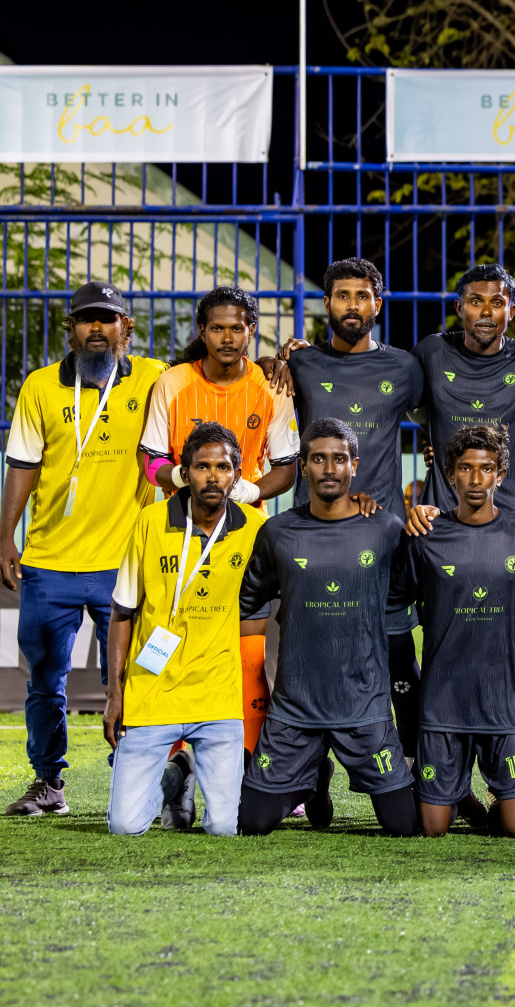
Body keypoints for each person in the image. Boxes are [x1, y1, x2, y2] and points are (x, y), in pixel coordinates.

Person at [0, 281, 166, 816]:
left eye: (108, 319)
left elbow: (217, 368)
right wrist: (6, 537)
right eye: (87, 319)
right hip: (50, 562)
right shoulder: (42, 386)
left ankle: (131, 777)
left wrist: (286, 358)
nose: (98, 328)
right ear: (70, 330)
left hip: (126, 562)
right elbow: (22, 465)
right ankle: (48, 782)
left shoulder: (156, 378)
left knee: (132, 677)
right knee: (45, 679)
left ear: (126, 328)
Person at [235, 418, 417, 837]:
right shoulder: (278, 532)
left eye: (339, 459)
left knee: (405, 826)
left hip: (364, 706)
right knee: (252, 823)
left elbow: (400, 593)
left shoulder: (386, 529)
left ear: (355, 465)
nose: (329, 468)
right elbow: (251, 599)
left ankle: (318, 772)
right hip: (295, 708)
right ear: (304, 465)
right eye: (318, 459)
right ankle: (314, 778)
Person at [139, 285, 299, 751]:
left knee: (249, 651)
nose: (227, 337)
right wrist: (181, 478)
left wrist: (246, 490)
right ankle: (174, 762)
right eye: (217, 328)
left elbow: (287, 467)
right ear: (202, 332)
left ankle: (256, 767)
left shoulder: (272, 386)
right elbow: (148, 457)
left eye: (237, 328)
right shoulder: (172, 383)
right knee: (176, 639)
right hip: (178, 532)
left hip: (245, 534)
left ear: (251, 331)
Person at [279, 258, 427, 756]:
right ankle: (309, 780)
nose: (352, 305)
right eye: (342, 295)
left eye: (362, 296)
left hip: (380, 536)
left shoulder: (404, 367)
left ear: (377, 305)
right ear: (327, 303)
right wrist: (277, 357)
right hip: (314, 537)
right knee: (312, 661)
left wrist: (429, 457)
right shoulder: (300, 365)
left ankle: (413, 771)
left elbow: (442, 418)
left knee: (397, 656)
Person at [393, 425, 515, 838]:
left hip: (509, 701)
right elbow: (393, 602)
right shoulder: (425, 536)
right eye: (466, 468)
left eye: (486, 468)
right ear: (451, 474)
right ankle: (456, 792)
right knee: (432, 828)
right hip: (445, 700)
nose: (476, 479)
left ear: (501, 474)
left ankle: (509, 795)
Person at [103, 423, 267, 836]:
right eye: (202, 467)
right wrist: (113, 694)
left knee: (225, 829)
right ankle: (179, 771)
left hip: (217, 699)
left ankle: (191, 764)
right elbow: (122, 613)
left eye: (224, 467)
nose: (213, 476)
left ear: (238, 474)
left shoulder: (254, 528)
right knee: (125, 826)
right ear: (184, 471)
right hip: (153, 693)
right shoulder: (150, 522)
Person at [413, 264, 515, 517]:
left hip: (510, 521)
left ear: (512, 311)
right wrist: (432, 436)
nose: (486, 312)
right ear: (459, 307)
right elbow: (403, 404)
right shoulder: (431, 352)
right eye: (475, 301)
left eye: (497, 303)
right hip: (440, 518)